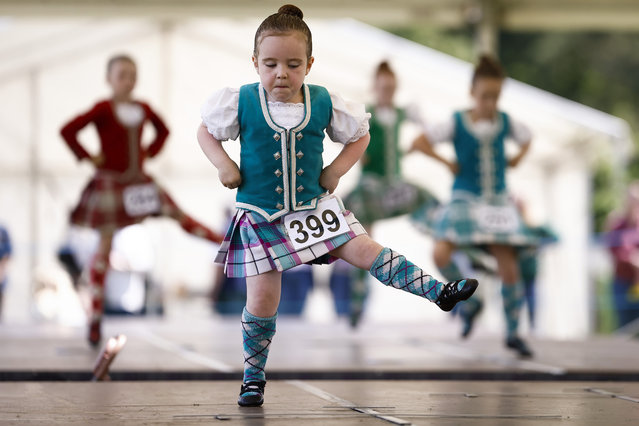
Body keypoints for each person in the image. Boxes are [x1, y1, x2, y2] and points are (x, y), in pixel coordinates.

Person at [197, 4, 478, 407]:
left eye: (293, 64)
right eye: (271, 64)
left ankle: (438, 292)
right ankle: (253, 377)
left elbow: (359, 136)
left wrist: (336, 170)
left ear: (309, 64)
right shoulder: (239, 100)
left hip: (315, 209)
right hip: (261, 214)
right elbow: (206, 131)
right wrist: (224, 164)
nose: (282, 73)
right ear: (255, 62)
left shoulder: (325, 101)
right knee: (261, 301)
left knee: (366, 249)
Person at [60, 54, 223, 346]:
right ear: (109, 79)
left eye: (132, 75)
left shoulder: (142, 108)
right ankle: (95, 317)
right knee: (104, 250)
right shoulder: (103, 109)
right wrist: (89, 157)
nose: (127, 80)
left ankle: (227, 242)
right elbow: (68, 131)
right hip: (110, 182)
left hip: (138, 182)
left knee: (179, 216)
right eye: (121, 74)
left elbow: (164, 131)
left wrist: (150, 151)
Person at [411, 55, 536, 357]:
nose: (490, 102)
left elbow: (528, 137)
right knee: (440, 252)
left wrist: (518, 158)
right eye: (485, 96)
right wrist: (447, 162)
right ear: (472, 93)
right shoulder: (456, 121)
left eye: (495, 96)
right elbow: (420, 141)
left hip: (496, 200)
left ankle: (512, 331)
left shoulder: (505, 122)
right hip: (465, 198)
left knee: (507, 262)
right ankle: (470, 302)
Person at [338, 60, 439, 327]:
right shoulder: (365, 113)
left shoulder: (404, 113)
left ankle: (442, 239)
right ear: (375, 87)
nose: (388, 92)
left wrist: (414, 149)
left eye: (391, 88)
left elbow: (430, 131)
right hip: (371, 187)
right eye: (383, 87)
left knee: (429, 200)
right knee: (363, 243)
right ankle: (358, 302)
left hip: (393, 184)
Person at [604, 182, 639, 329]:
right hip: (622, 280)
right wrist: (631, 258)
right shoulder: (617, 224)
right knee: (624, 325)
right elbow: (613, 249)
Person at [0, 224, 11, 319]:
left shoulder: (3, 231)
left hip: (2, 264)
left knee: (2, 289)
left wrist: (2, 266)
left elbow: (8, 251)